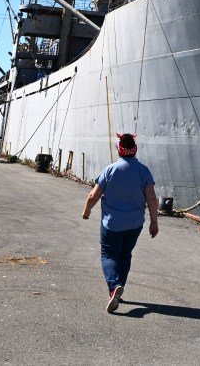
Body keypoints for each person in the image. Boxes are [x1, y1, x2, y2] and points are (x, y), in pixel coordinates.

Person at [81, 133, 159, 313]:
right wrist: (154, 222)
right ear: (135, 149)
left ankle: (114, 286)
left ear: (119, 149)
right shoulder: (144, 171)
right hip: (134, 224)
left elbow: (93, 195)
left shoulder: (110, 170)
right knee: (125, 255)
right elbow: (152, 198)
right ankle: (118, 287)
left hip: (112, 224)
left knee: (108, 255)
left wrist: (86, 211)